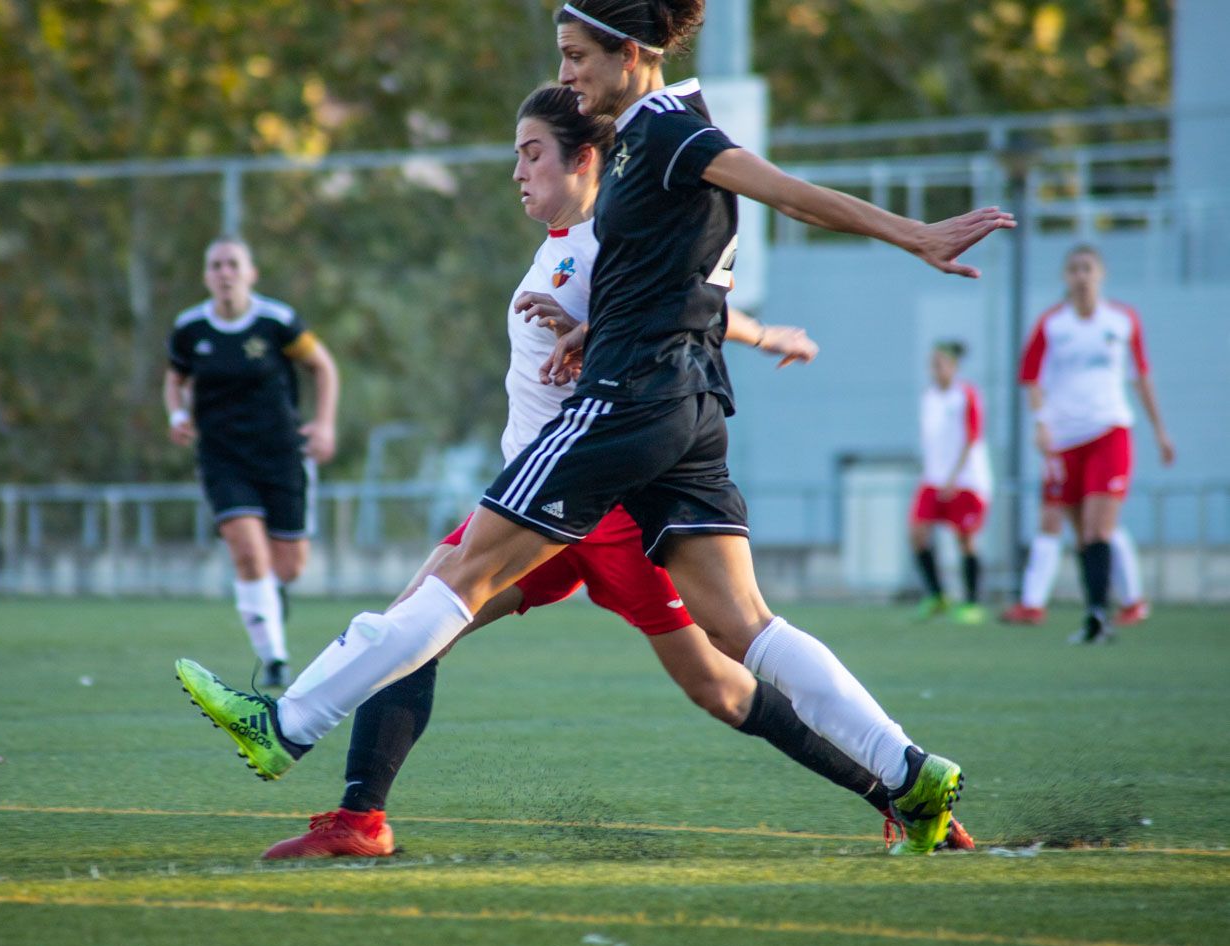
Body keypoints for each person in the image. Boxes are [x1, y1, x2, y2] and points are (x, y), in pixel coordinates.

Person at [175, 0, 1013, 856]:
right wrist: (594, 329)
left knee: (450, 584)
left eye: (577, 56)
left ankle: (284, 725)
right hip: (687, 405)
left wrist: (914, 234)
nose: (570, 75)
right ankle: (908, 777)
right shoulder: (649, 152)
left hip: (626, 410)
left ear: (631, 52)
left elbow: (786, 193)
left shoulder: (664, 131)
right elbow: (678, 283)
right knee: (742, 631)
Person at [165, 236, 339, 687]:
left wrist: (323, 424)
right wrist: (178, 413)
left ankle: (272, 596)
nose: (224, 273)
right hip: (223, 457)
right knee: (248, 553)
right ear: (206, 276)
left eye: (233, 264)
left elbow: (323, 366)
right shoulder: (190, 329)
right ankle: (275, 659)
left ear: (250, 273)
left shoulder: (276, 322)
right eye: (216, 265)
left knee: (289, 566)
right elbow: (175, 377)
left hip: (281, 454)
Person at [1001, 245, 1173, 642]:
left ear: (1102, 274)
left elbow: (1141, 376)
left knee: (1099, 527)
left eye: (1088, 268)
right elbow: (1031, 379)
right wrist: (1041, 424)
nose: (1081, 276)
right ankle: (1099, 613)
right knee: (1081, 533)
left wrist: (1161, 431)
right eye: (1074, 269)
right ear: (1065, 277)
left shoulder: (1123, 320)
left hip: (1110, 432)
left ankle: (1098, 614)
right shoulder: (1052, 324)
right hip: (1064, 440)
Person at [909, 341, 992, 624]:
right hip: (933, 479)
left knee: (965, 539)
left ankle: (972, 602)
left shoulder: (966, 395)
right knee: (918, 533)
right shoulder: (929, 397)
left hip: (965, 480)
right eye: (932, 364)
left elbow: (972, 438)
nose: (935, 369)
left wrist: (954, 478)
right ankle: (937, 596)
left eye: (941, 363)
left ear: (953, 367)